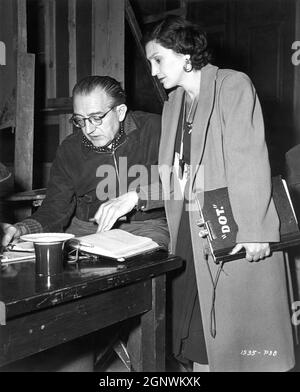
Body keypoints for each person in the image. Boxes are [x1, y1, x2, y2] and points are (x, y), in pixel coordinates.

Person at [144, 15, 295, 372]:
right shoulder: (173, 105)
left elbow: (249, 161)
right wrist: (137, 196)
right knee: (199, 335)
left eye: (157, 60)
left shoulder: (232, 85)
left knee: (237, 342)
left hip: (235, 227)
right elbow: (176, 175)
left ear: (184, 54)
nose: (152, 71)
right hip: (190, 232)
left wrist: (256, 231)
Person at [0, 75, 169, 372]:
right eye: (79, 120)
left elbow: (193, 181)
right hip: (87, 231)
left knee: (131, 281)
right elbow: (54, 210)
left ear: (120, 111)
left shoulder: (157, 129)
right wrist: (22, 229)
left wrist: (137, 196)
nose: (88, 130)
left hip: (145, 227)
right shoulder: (70, 149)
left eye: (96, 118)